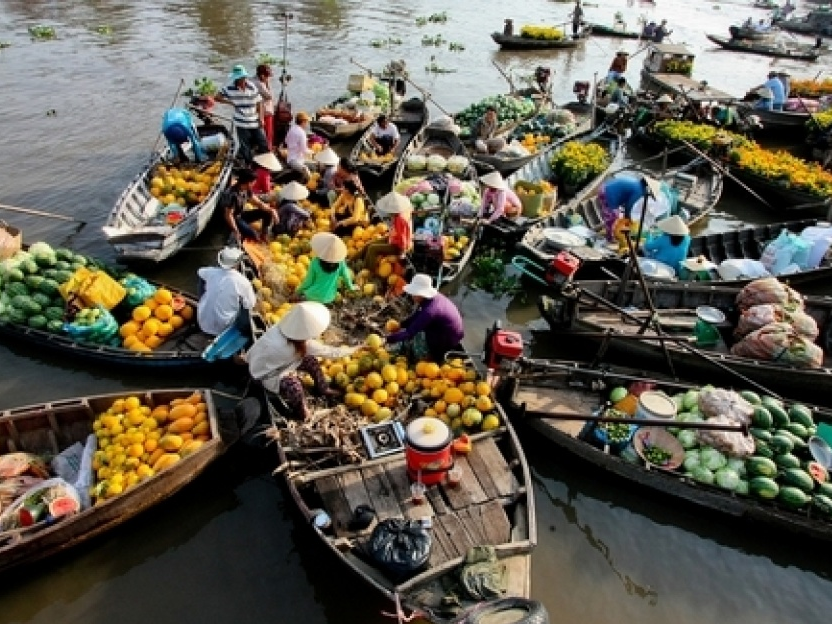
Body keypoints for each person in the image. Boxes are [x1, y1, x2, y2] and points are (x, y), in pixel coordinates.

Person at [246, 302, 356, 420]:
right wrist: (356, 349)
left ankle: (323, 388)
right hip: (266, 376)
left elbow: (258, 346)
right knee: (295, 387)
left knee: (310, 360)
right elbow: (332, 353)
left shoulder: (278, 329)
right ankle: (301, 412)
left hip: (270, 365)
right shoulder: (303, 346)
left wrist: (246, 358)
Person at [385, 274, 464, 363]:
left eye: (414, 293)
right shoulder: (432, 299)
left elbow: (409, 333)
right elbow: (416, 316)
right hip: (445, 331)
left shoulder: (429, 311)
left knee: (414, 345)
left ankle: (432, 357)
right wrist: (401, 325)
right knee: (411, 331)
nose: (411, 295)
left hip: (447, 340)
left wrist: (387, 339)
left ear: (421, 294)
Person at [196, 247, 256, 336]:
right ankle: (242, 331)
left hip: (203, 322)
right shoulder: (243, 282)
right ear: (237, 263)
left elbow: (200, 272)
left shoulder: (210, 272)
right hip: (224, 327)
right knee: (245, 307)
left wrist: (202, 294)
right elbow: (250, 304)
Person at [215, 65, 268, 164]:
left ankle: (265, 162)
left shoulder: (252, 86)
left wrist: (261, 118)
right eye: (239, 78)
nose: (241, 80)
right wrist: (230, 102)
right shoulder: (229, 88)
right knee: (245, 146)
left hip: (254, 120)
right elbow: (217, 97)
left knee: (263, 142)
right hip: (241, 122)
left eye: (243, 78)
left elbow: (259, 102)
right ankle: (249, 164)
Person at [295, 233, 357, 304]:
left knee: (300, 299)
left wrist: (298, 291)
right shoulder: (340, 263)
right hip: (329, 298)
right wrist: (351, 287)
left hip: (312, 296)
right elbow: (347, 277)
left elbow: (308, 281)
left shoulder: (315, 262)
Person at [598, 174, 662, 242]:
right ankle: (610, 238)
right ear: (648, 187)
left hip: (604, 188)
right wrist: (628, 220)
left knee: (612, 214)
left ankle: (607, 228)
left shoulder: (637, 183)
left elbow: (628, 202)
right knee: (613, 217)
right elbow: (629, 207)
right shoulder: (639, 190)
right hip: (607, 193)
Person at [220, 169, 279, 243]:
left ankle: (264, 234)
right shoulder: (232, 194)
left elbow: (259, 203)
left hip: (241, 215)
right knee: (254, 235)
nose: (254, 183)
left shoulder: (247, 190)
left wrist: (272, 211)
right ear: (248, 182)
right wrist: (236, 231)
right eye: (254, 182)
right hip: (233, 219)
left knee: (267, 212)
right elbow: (228, 215)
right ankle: (253, 237)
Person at [362, 192, 413, 272]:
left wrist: (401, 254)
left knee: (372, 248)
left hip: (397, 247)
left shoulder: (400, 220)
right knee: (369, 244)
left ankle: (368, 271)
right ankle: (361, 264)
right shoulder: (397, 216)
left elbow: (403, 239)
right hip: (393, 239)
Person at [284, 111, 313, 183]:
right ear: (303, 122)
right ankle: (311, 183)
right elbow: (304, 151)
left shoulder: (292, 128)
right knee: (305, 169)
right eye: (306, 122)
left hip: (290, 158)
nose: (307, 124)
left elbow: (286, 141)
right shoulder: (302, 133)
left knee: (312, 164)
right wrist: (313, 152)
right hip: (295, 161)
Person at [251, 64, 275, 150]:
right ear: (262, 75)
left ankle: (259, 148)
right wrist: (267, 83)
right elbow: (269, 96)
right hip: (265, 112)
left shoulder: (251, 80)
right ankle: (267, 149)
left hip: (255, 112)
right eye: (267, 76)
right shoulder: (259, 84)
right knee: (268, 133)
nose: (268, 78)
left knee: (258, 133)